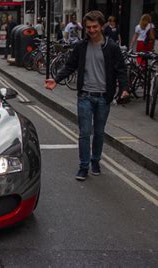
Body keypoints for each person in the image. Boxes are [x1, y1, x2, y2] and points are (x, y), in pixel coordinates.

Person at [44, 10, 129, 181]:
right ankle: (83, 166)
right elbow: (70, 66)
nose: (91, 30)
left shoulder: (111, 47)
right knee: (84, 133)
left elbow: (121, 69)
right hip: (85, 96)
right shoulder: (81, 47)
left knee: (98, 132)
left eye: (95, 27)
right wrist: (56, 79)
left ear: (102, 26)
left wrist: (124, 88)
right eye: (88, 27)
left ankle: (95, 161)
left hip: (103, 97)